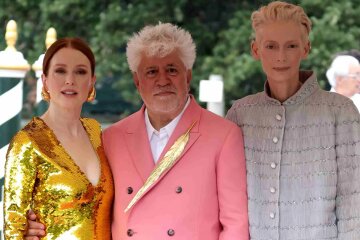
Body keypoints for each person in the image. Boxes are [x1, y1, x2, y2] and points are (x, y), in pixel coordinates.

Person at [24, 23, 249, 239]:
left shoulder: (223, 135)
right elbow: (90, 204)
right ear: (137, 81)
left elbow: (235, 225)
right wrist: (38, 222)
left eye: (172, 70)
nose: (163, 80)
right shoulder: (112, 137)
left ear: (187, 76)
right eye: (151, 72)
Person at [226, 1, 360, 239]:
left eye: (291, 46)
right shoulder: (240, 114)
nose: (281, 56)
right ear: (256, 50)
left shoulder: (341, 112)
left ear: (305, 48)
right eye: (271, 46)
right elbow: (229, 201)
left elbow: (354, 199)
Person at [4, 37, 114, 239]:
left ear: (92, 81)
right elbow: (13, 228)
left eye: (80, 72)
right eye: (60, 71)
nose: (70, 80)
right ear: (45, 80)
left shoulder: (96, 132)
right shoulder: (28, 142)